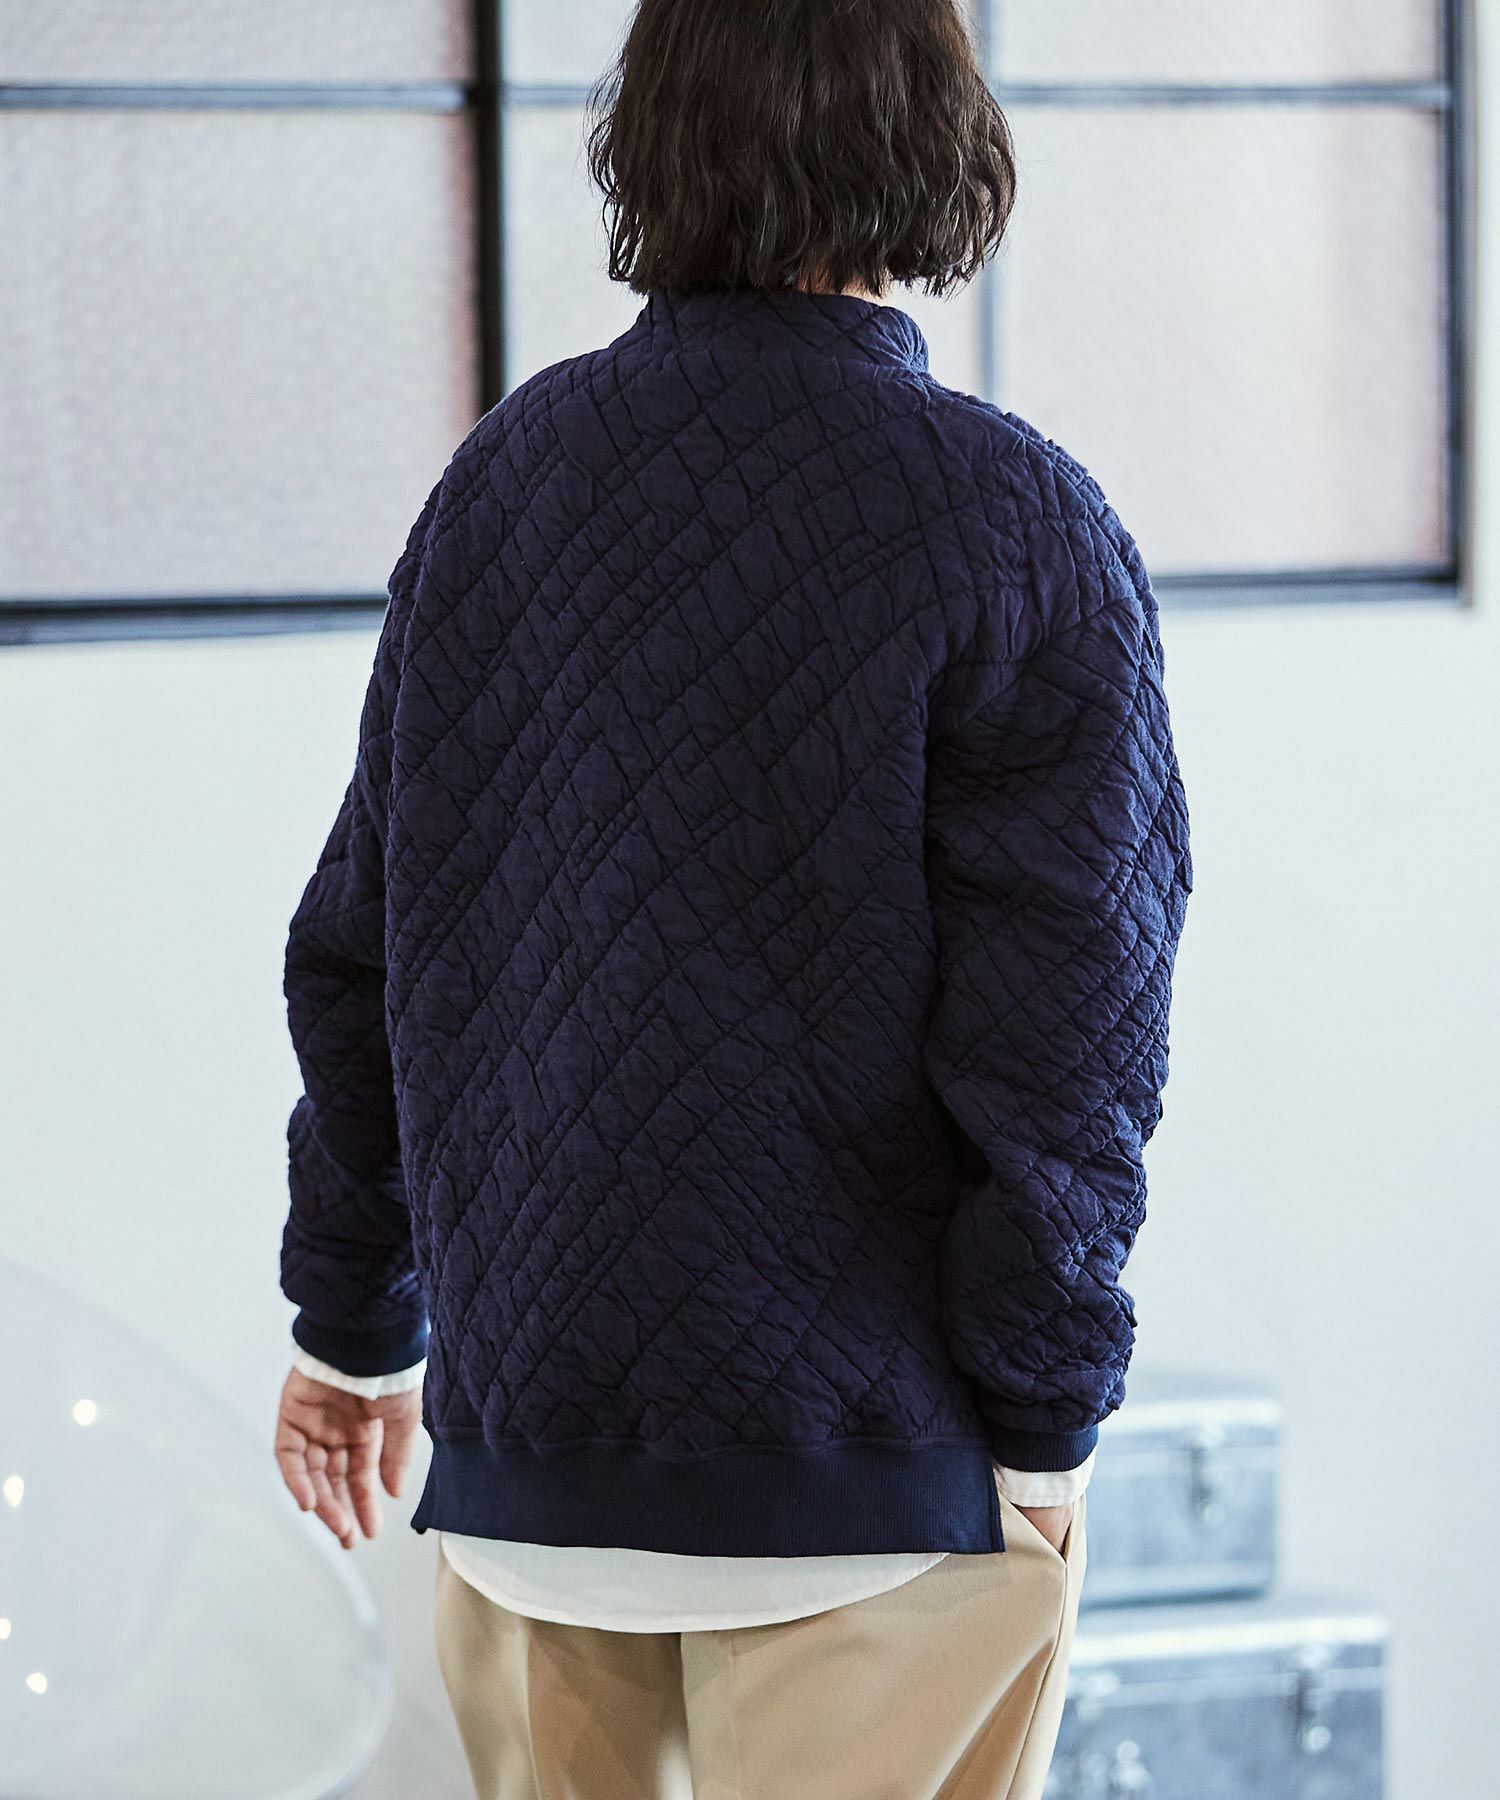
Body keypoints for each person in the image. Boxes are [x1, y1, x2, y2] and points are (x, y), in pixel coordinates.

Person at [271, 1, 1193, 1794]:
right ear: (936, 138)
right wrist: (1046, 1415)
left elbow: (369, 948)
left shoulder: (502, 485)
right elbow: (1069, 1027)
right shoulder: (1013, 520)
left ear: (655, 139)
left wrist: (355, 1328)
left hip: (531, 1481)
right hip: (875, 1489)